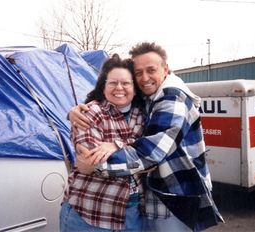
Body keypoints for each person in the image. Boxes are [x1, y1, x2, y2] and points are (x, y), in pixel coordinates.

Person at [69, 42, 224, 232]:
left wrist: (96, 164)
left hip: (174, 197)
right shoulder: (146, 99)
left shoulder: (172, 98)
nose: (145, 78)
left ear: (165, 69)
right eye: (138, 73)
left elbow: (150, 152)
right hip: (128, 205)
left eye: (151, 70)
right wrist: (72, 112)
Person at [60, 54, 146, 231]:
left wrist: (116, 145)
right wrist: (136, 150)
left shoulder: (143, 115)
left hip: (131, 214)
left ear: (135, 88)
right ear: (104, 87)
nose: (119, 88)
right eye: (113, 83)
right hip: (89, 213)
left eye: (126, 83)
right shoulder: (90, 112)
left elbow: (152, 155)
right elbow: (91, 159)